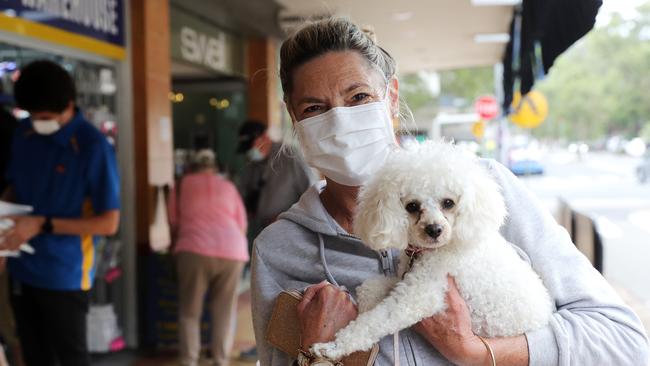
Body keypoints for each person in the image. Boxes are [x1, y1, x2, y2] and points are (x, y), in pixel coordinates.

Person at [251, 17, 650, 366]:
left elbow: (623, 342)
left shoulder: (483, 188)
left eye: (358, 97)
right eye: (314, 109)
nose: (340, 121)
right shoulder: (280, 250)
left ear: (390, 97)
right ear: (293, 116)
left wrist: (476, 352)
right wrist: (314, 353)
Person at [0, 60, 120, 366]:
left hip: (65, 273)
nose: (38, 122)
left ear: (69, 105)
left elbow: (108, 223)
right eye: (32, 115)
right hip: (21, 268)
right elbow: (14, 188)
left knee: (71, 358)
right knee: (34, 355)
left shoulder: (92, 146)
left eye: (46, 116)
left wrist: (41, 224)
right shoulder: (24, 134)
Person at [237, 120, 316, 362]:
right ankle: (263, 345)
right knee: (265, 296)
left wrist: (288, 220)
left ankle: (297, 349)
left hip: (290, 234)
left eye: (253, 144)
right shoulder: (253, 163)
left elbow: (311, 192)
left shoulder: (288, 155)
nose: (253, 150)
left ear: (263, 137)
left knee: (290, 296)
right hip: (262, 234)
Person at [168, 149, 248, 366]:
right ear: (214, 168)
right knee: (224, 310)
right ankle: (220, 360)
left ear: (193, 166)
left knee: (190, 311)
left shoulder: (182, 185)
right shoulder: (228, 186)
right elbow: (242, 225)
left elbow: (174, 223)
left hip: (194, 249)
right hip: (232, 252)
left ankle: (189, 360)